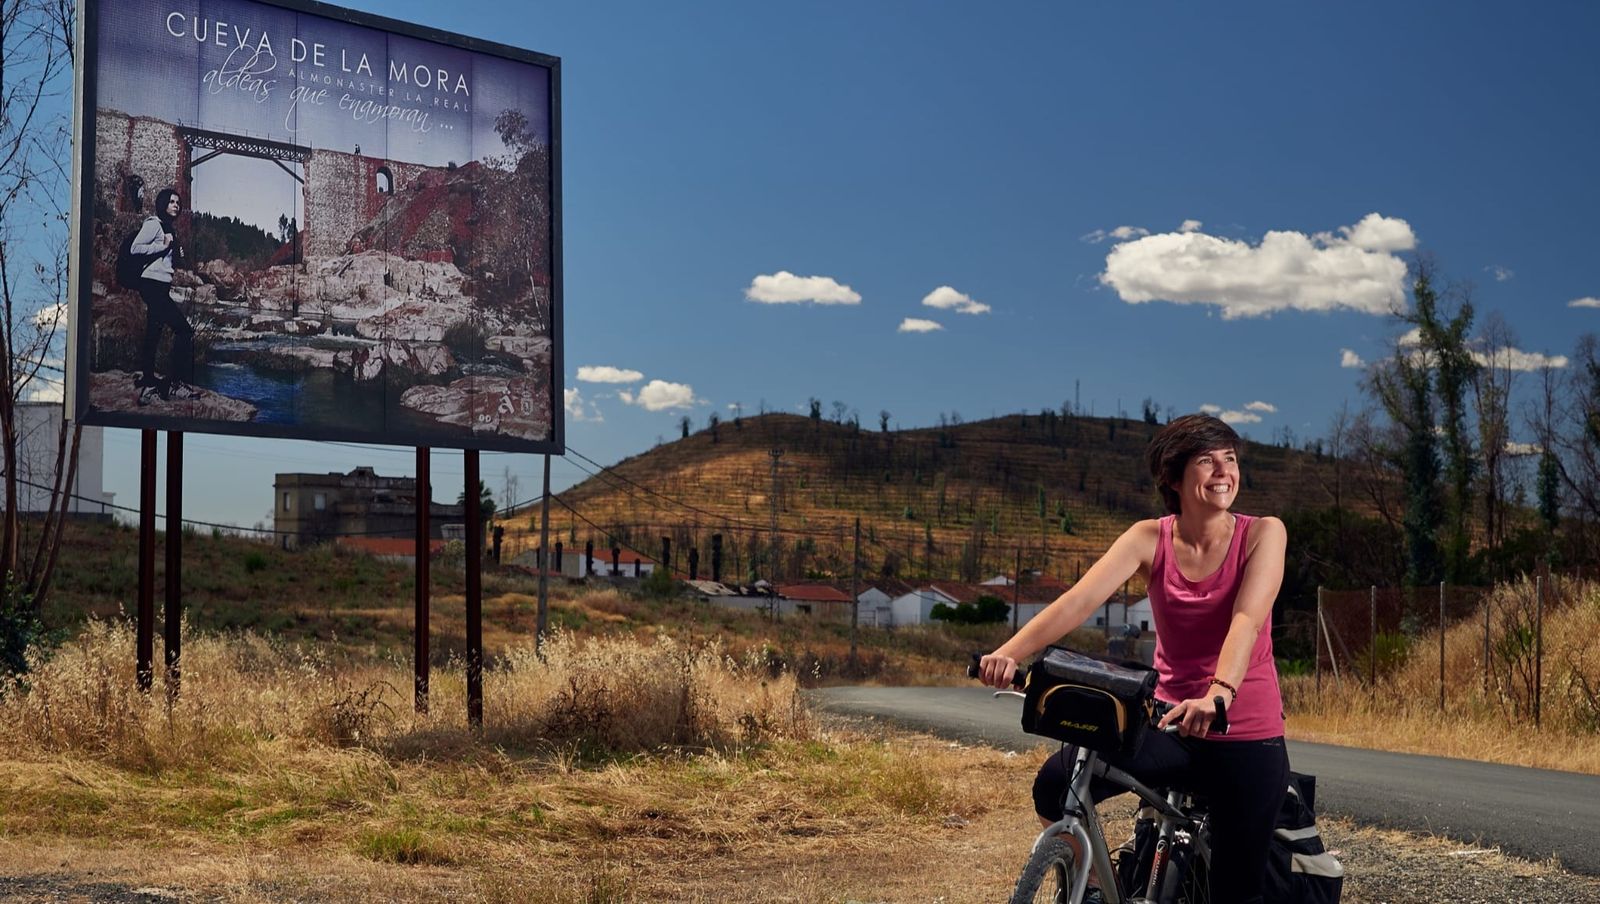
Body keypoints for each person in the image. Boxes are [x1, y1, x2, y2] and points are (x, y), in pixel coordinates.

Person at [978, 413, 1290, 904]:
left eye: (1229, 460)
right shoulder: (1149, 538)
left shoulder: (1263, 533)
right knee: (1057, 783)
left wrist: (1219, 694)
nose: (1223, 472)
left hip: (1243, 733)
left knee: (1237, 890)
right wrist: (1008, 653)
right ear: (1173, 476)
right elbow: (1079, 601)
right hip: (1168, 725)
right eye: (1206, 462)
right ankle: (1098, 889)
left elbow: (1247, 620)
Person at [130, 188, 198, 405]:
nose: (176, 205)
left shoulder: (169, 228)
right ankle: (170, 384)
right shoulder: (153, 224)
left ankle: (150, 384)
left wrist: (177, 252)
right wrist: (163, 245)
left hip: (161, 285)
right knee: (184, 330)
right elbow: (135, 249)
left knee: (154, 331)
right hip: (150, 284)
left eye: (178, 202)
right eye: (171, 202)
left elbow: (169, 258)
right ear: (162, 204)